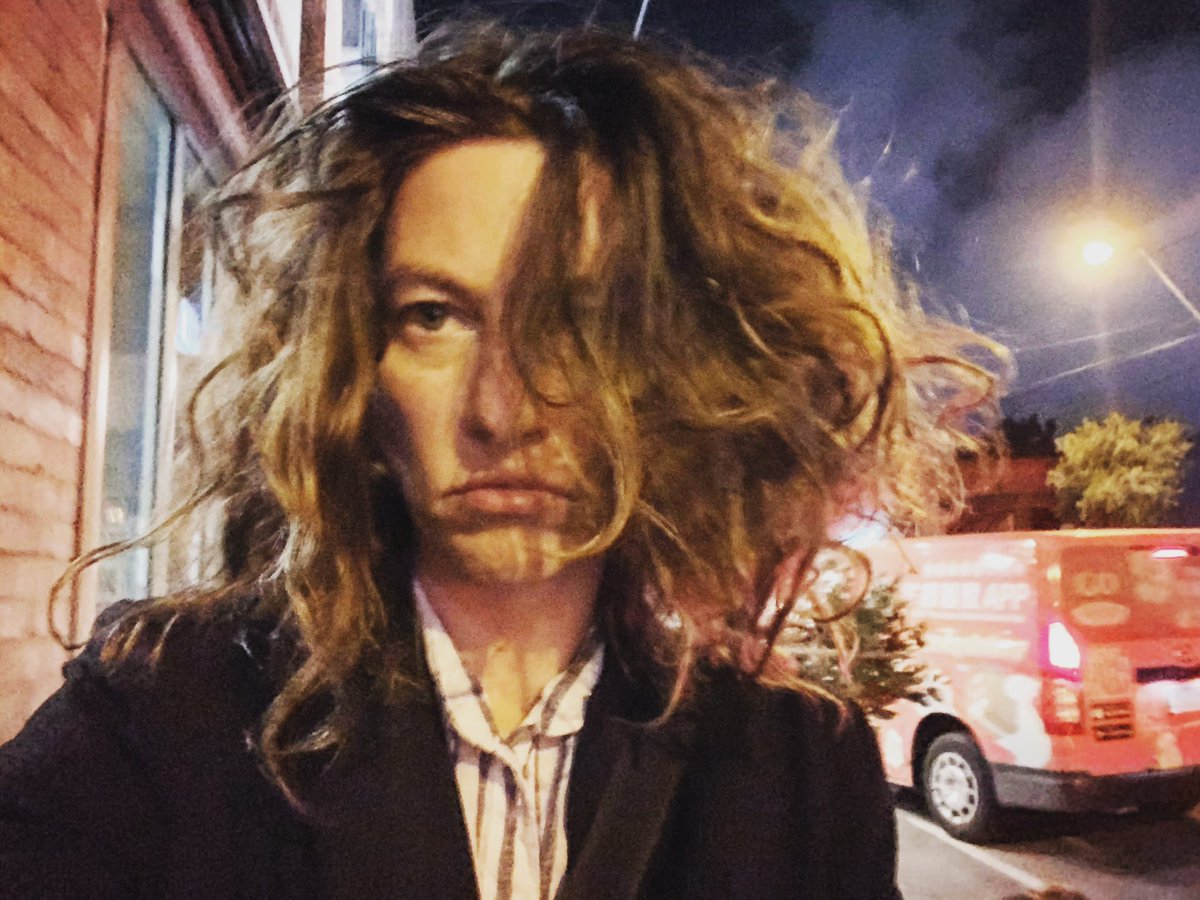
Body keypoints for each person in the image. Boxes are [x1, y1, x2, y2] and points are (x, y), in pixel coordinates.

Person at [0, 21, 994, 900]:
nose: (503, 410)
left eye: (580, 322)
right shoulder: (162, 716)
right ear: (352, 368)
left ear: (678, 372)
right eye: (434, 316)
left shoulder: (800, 767)